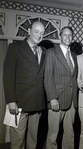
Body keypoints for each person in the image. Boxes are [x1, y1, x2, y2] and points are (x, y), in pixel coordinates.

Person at [3, 21, 46, 149]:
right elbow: (8, 76)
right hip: (19, 104)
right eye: (36, 31)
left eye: (42, 33)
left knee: (33, 140)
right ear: (29, 31)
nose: (39, 35)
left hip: (38, 103)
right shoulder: (15, 48)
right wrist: (11, 101)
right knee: (18, 140)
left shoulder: (43, 51)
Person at [44, 26, 78, 149]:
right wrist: (52, 98)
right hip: (56, 99)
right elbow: (48, 77)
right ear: (60, 36)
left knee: (69, 134)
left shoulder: (74, 55)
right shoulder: (51, 52)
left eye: (70, 35)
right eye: (65, 35)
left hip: (72, 102)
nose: (68, 37)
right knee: (53, 135)